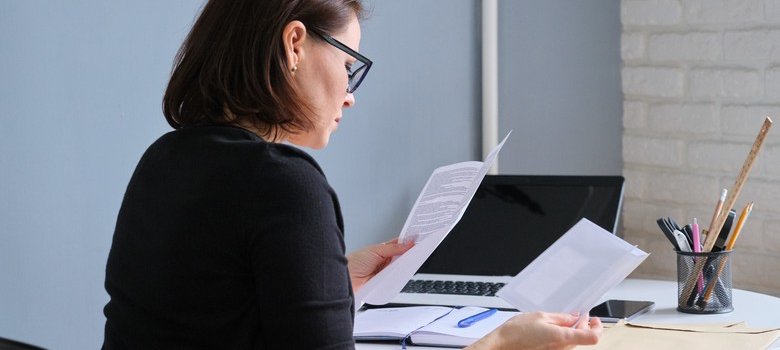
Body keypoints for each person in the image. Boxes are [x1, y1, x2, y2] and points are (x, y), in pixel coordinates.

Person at [102, 0, 603, 349]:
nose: (350, 93)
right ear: (294, 44)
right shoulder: (285, 184)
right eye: (349, 64)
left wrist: (335, 278)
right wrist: (499, 344)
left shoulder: (163, 161)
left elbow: (207, 313)